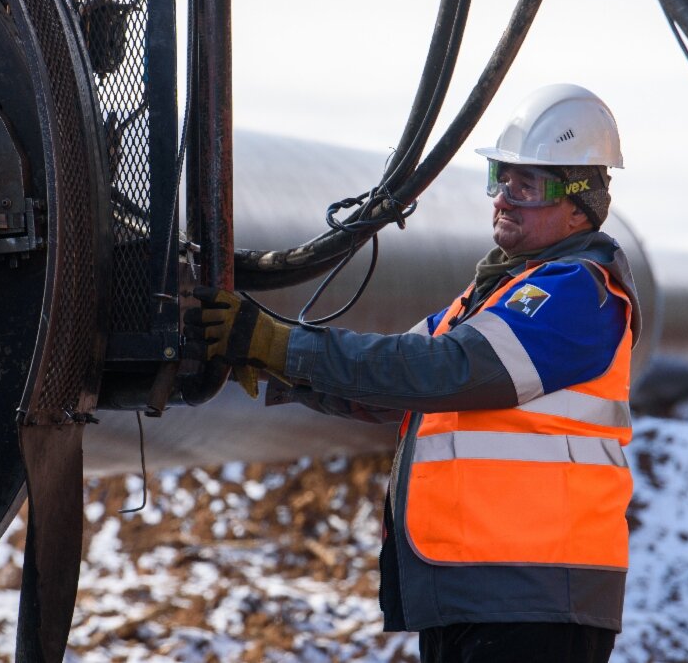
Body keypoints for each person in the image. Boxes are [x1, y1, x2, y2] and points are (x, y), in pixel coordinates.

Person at [185, 83, 641, 662]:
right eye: (501, 178)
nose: (504, 198)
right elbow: (397, 388)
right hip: (476, 590)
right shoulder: (492, 295)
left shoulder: (578, 293)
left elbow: (444, 370)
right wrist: (272, 361)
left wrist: (283, 344)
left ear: (581, 203)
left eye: (528, 187)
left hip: (537, 597)